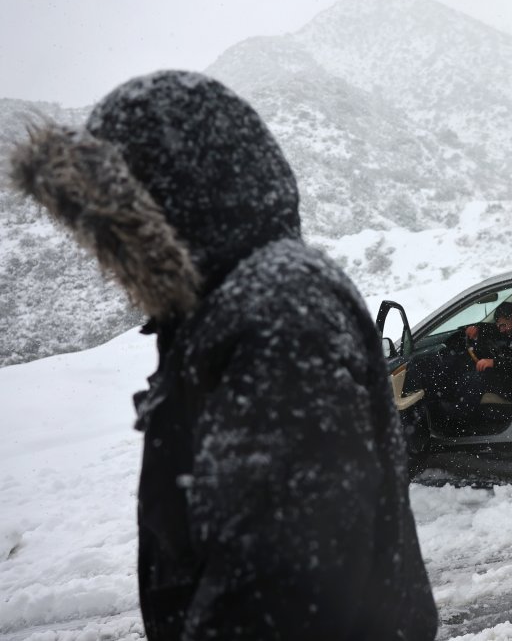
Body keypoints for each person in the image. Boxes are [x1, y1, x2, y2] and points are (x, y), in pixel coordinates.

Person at [9, 71, 438, 639]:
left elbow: (277, 586)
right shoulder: (228, 310)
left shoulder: (278, 310)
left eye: (114, 233)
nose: (103, 259)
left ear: (175, 205)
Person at [404, 301, 512, 424]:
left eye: (503, 325)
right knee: (471, 374)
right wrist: (476, 329)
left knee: (481, 377)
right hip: (510, 375)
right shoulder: (511, 332)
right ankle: (455, 403)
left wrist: (494, 363)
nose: (501, 330)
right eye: (499, 326)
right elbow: (492, 330)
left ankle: (459, 413)